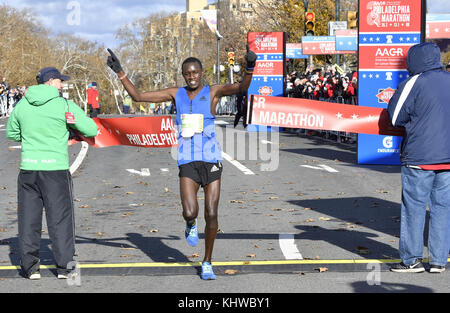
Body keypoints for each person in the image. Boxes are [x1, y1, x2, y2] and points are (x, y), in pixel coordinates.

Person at [107, 46, 256, 280]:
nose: (192, 76)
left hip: (211, 160)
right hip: (187, 159)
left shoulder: (213, 91)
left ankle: (207, 261)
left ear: (201, 73)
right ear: (183, 75)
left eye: (195, 72)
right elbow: (138, 97)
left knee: (212, 212)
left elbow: (242, 87)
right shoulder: (175, 93)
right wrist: (120, 72)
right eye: (187, 73)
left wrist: (250, 67)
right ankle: (190, 224)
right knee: (190, 211)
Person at [6, 67, 98, 280]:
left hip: (28, 168)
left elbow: (12, 132)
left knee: (28, 218)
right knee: (60, 219)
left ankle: (30, 268)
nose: (62, 85)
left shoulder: (23, 104)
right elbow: (91, 130)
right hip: (55, 168)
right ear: (51, 81)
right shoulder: (64, 105)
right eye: (60, 81)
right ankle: (65, 267)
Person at [387, 43, 450, 273]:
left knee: (413, 207)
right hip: (448, 157)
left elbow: (394, 116)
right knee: (443, 208)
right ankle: (438, 261)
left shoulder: (413, 82)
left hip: (420, 156)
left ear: (412, 61)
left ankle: (412, 259)